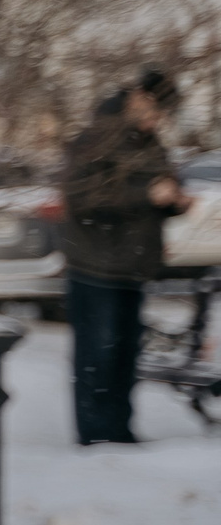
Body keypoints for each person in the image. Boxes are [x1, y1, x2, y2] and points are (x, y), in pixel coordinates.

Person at [60, 68, 187, 446]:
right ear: (136, 97)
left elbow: (156, 188)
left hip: (133, 266)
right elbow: (81, 198)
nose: (157, 119)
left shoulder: (151, 144)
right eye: (154, 109)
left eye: (163, 114)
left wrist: (173, 201)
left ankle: (119, 430)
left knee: (125, 356)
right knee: (98, 353)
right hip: (95, 264)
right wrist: (145, 197)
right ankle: (96, 435)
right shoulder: (97, 137)